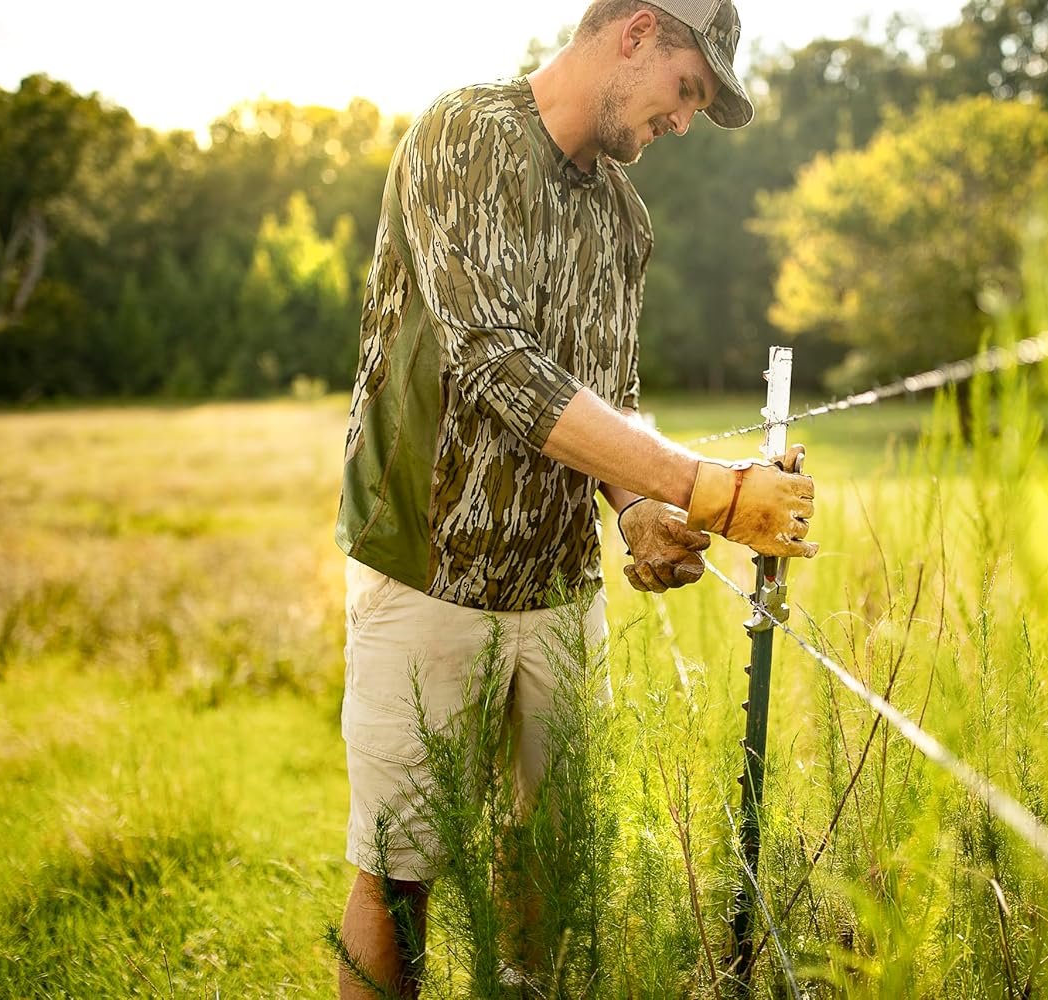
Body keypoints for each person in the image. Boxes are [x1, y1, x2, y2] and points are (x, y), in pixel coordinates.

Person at [333, 0, 816, 994]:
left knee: (550, 868)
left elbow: (611, 398)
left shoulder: (625, 221)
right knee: (401, 874)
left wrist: (643, 516)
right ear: (636, 31)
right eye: (688, 90)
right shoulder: (463, 134)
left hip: (558, 589)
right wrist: (708, 490)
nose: (682, 121)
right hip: (428, 570)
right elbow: (495, 361)